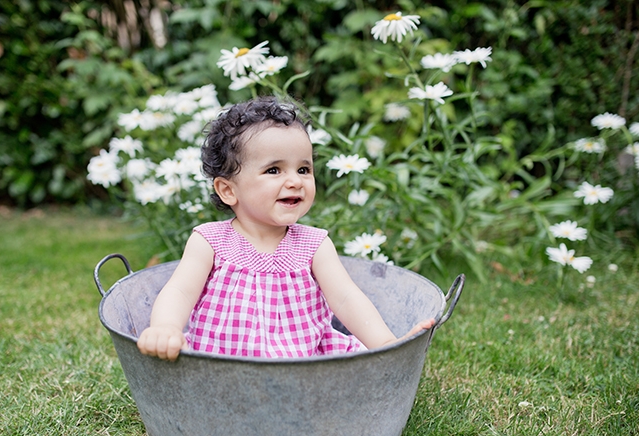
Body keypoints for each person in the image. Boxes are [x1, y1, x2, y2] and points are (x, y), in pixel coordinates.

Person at [137, 96, 435, 360]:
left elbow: (347, 299)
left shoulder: (314, 244)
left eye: (303, 169)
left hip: (302, 366)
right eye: (274, 170)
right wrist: (165, 327)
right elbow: (179, 291)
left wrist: (384, 343)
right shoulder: (210, 241)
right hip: (221, 365)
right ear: (228, 190)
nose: (295, 180)